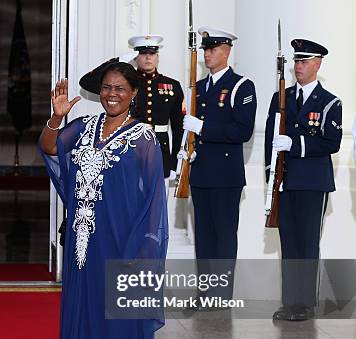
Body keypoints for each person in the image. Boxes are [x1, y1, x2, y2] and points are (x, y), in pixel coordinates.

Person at [39, 62, 168, 339]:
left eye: (120, 89)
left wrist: (144, 246)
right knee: (84, 311)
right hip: (83, 239)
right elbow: (49, 147)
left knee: (117, 318)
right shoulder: (83, 127)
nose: (112, 94)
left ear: (134, 94)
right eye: (108, 88)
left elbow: (153, 196)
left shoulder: (143, 137)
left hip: (122, 239)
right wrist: (56, 117)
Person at [265, 39, 342, 321]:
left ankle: (305, 304)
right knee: (289, 242)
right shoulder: (281, 98)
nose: (299, 66)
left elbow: (331, 142)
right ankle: (290, 301)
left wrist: (295, 145)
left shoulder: (330, 102)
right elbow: (271, 141)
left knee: (307, 242)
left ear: (318, 64)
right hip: (285, 180)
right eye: (297, 61)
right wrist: (271, 177)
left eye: (305, 61)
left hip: (312, 182)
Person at [182, 27, 257, 306]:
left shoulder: (241, 86)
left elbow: (242, 130)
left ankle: (221, 294)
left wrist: (202, 127)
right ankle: (204, 293)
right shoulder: (198, 88)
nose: (208, 54)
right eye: (205, 49)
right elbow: (187, 131)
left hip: (226, 175)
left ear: (227, 51)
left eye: (213, 49)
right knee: (204, 237)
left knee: (224, 236)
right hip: (200, 172)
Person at [79, 35, 184, 180]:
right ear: (135, 57)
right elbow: (86, 82)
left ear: (157, 57)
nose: (148, 57)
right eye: (142, 53)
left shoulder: (172, 85)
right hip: (129, 145)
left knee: (156, 200)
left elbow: (179, 127)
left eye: (152, 53)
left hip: (160, 151)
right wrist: (117, 62)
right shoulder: (125, 83)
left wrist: (175, 163)